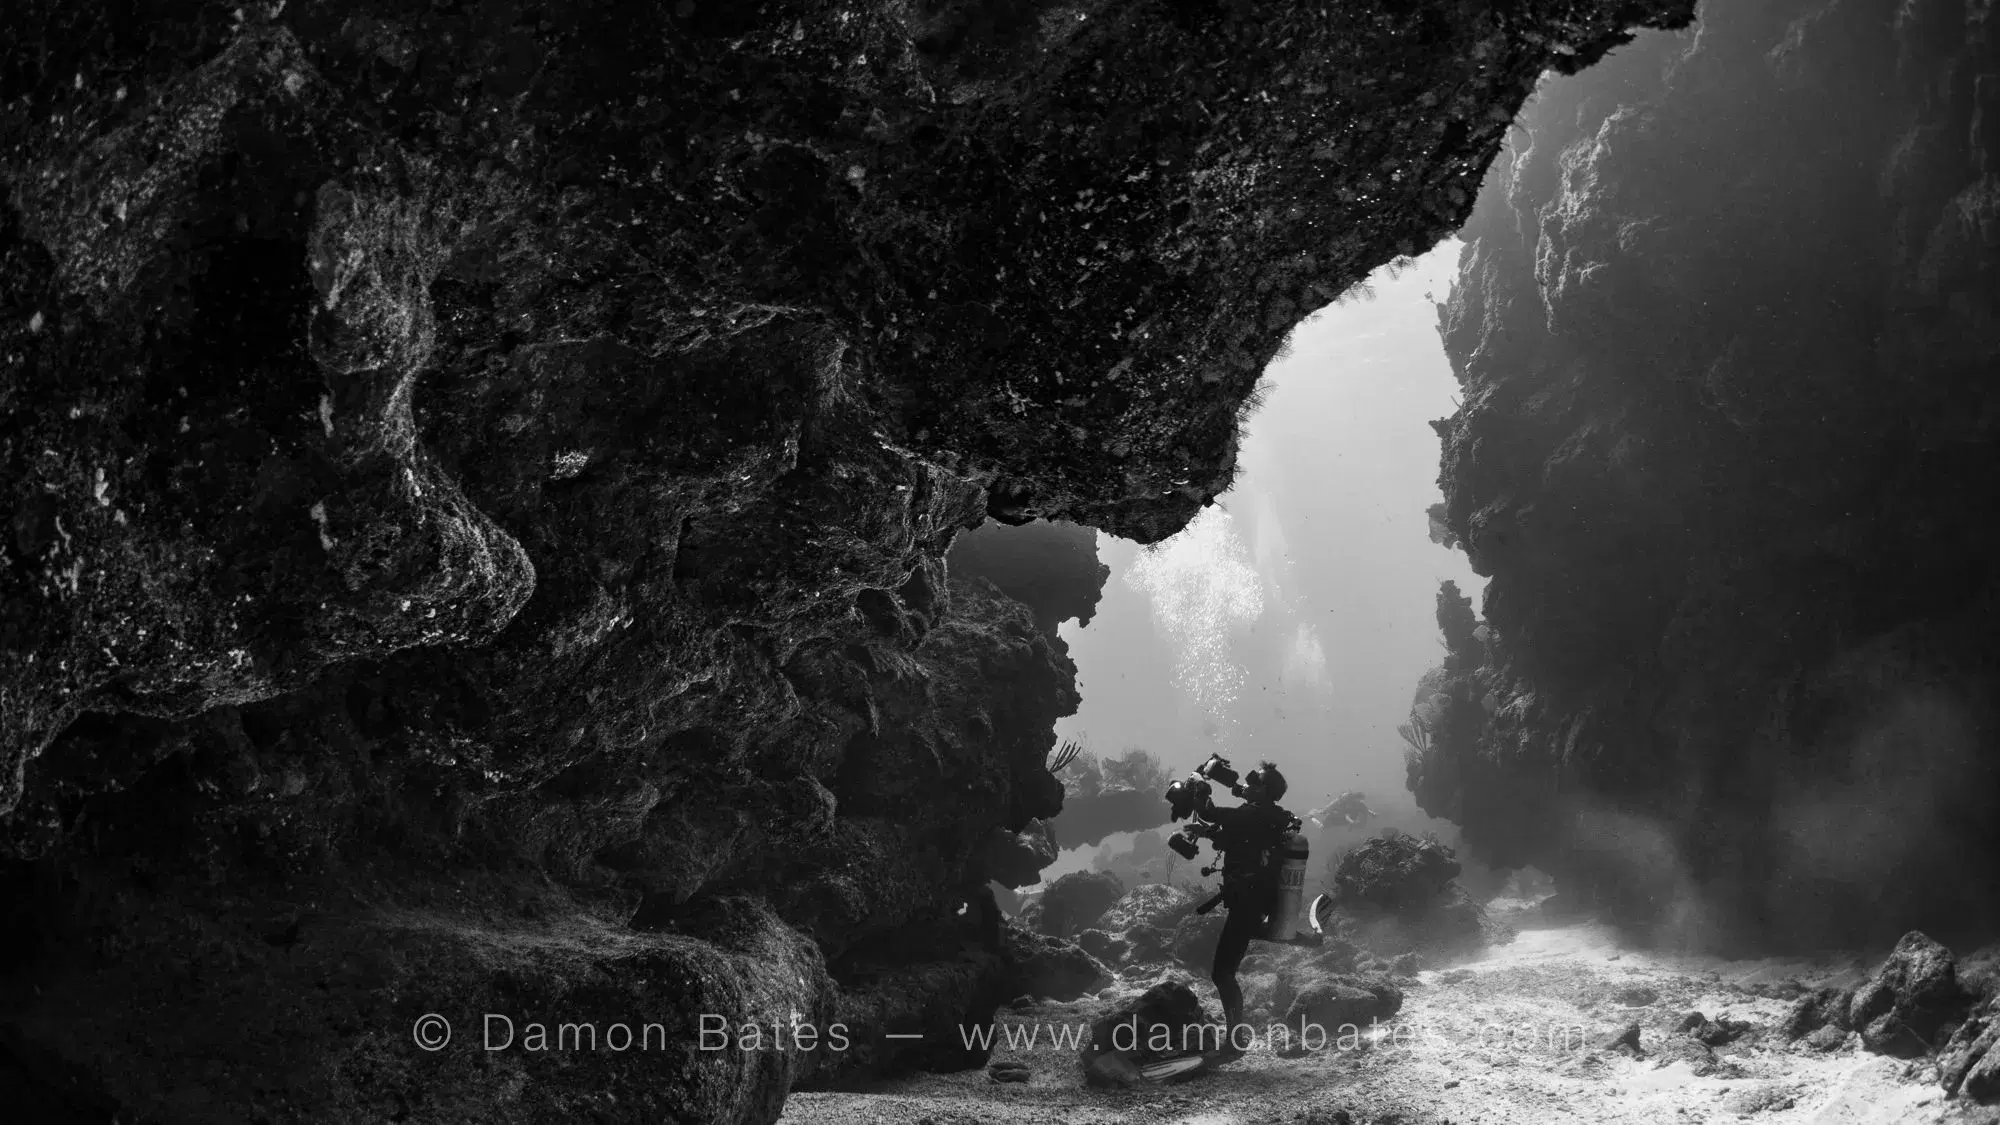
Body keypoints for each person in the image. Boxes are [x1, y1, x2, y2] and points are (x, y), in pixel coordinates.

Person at [1183, 760, 1297, 1060]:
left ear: (1264, 791)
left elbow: (1213, 813)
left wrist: (1198, 788)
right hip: (1255, 899)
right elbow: (1232, 838)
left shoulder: (1253, 813)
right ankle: (1293, 935)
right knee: (1236, 954)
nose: (1247, 785)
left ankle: (1235, 1042)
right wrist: (1206, 831)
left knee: (1222, 973)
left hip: (1248, 900)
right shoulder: (1268, 817)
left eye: (1254, 782)